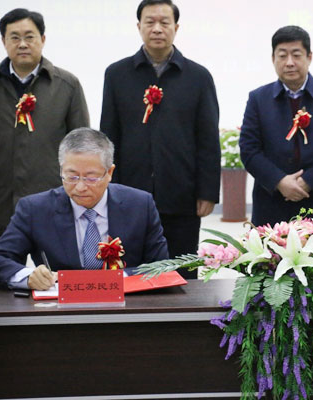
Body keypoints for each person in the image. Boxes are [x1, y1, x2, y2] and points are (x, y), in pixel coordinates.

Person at [100, 0, 220, 279]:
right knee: (130, 273)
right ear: (138, 26)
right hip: (128, 193)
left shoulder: (198, 77)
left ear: (176, 27)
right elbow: (109, 135)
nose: (157, 29)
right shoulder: (117, 74)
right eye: (150, 22)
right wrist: (109, 188)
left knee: (182, 273)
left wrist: (207, 192)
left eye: (164, 22)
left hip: (182, 194)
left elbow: (207, 139)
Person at [0, 128, 169, 290]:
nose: (80, 187)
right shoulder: (35, 209)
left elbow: (162, 267)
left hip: (126, 307)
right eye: (71, 176)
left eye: (91, 177)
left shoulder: (140, 205)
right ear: (61, 169)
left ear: (109, 172)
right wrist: (28, 276)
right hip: (61, 309)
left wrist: (114, 281)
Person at [0, 8, 89, 247]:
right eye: (14, 37)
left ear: (42, 39)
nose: (22, 44)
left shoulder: (67, 85)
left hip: (53, 199)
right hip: (0, 199)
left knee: (54, 269)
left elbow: (81, 146)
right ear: (3, 41)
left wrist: (79, 192)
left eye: (29, 36)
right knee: (4, 267)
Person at [239, 26, 313, 230]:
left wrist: (309, 181)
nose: (289, 62)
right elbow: (249, 150)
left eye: (296, 55)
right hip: (272, 202)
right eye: (282, 55)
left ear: (309, 57)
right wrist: (280, 181)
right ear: (273, 59)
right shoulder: (258, 98)